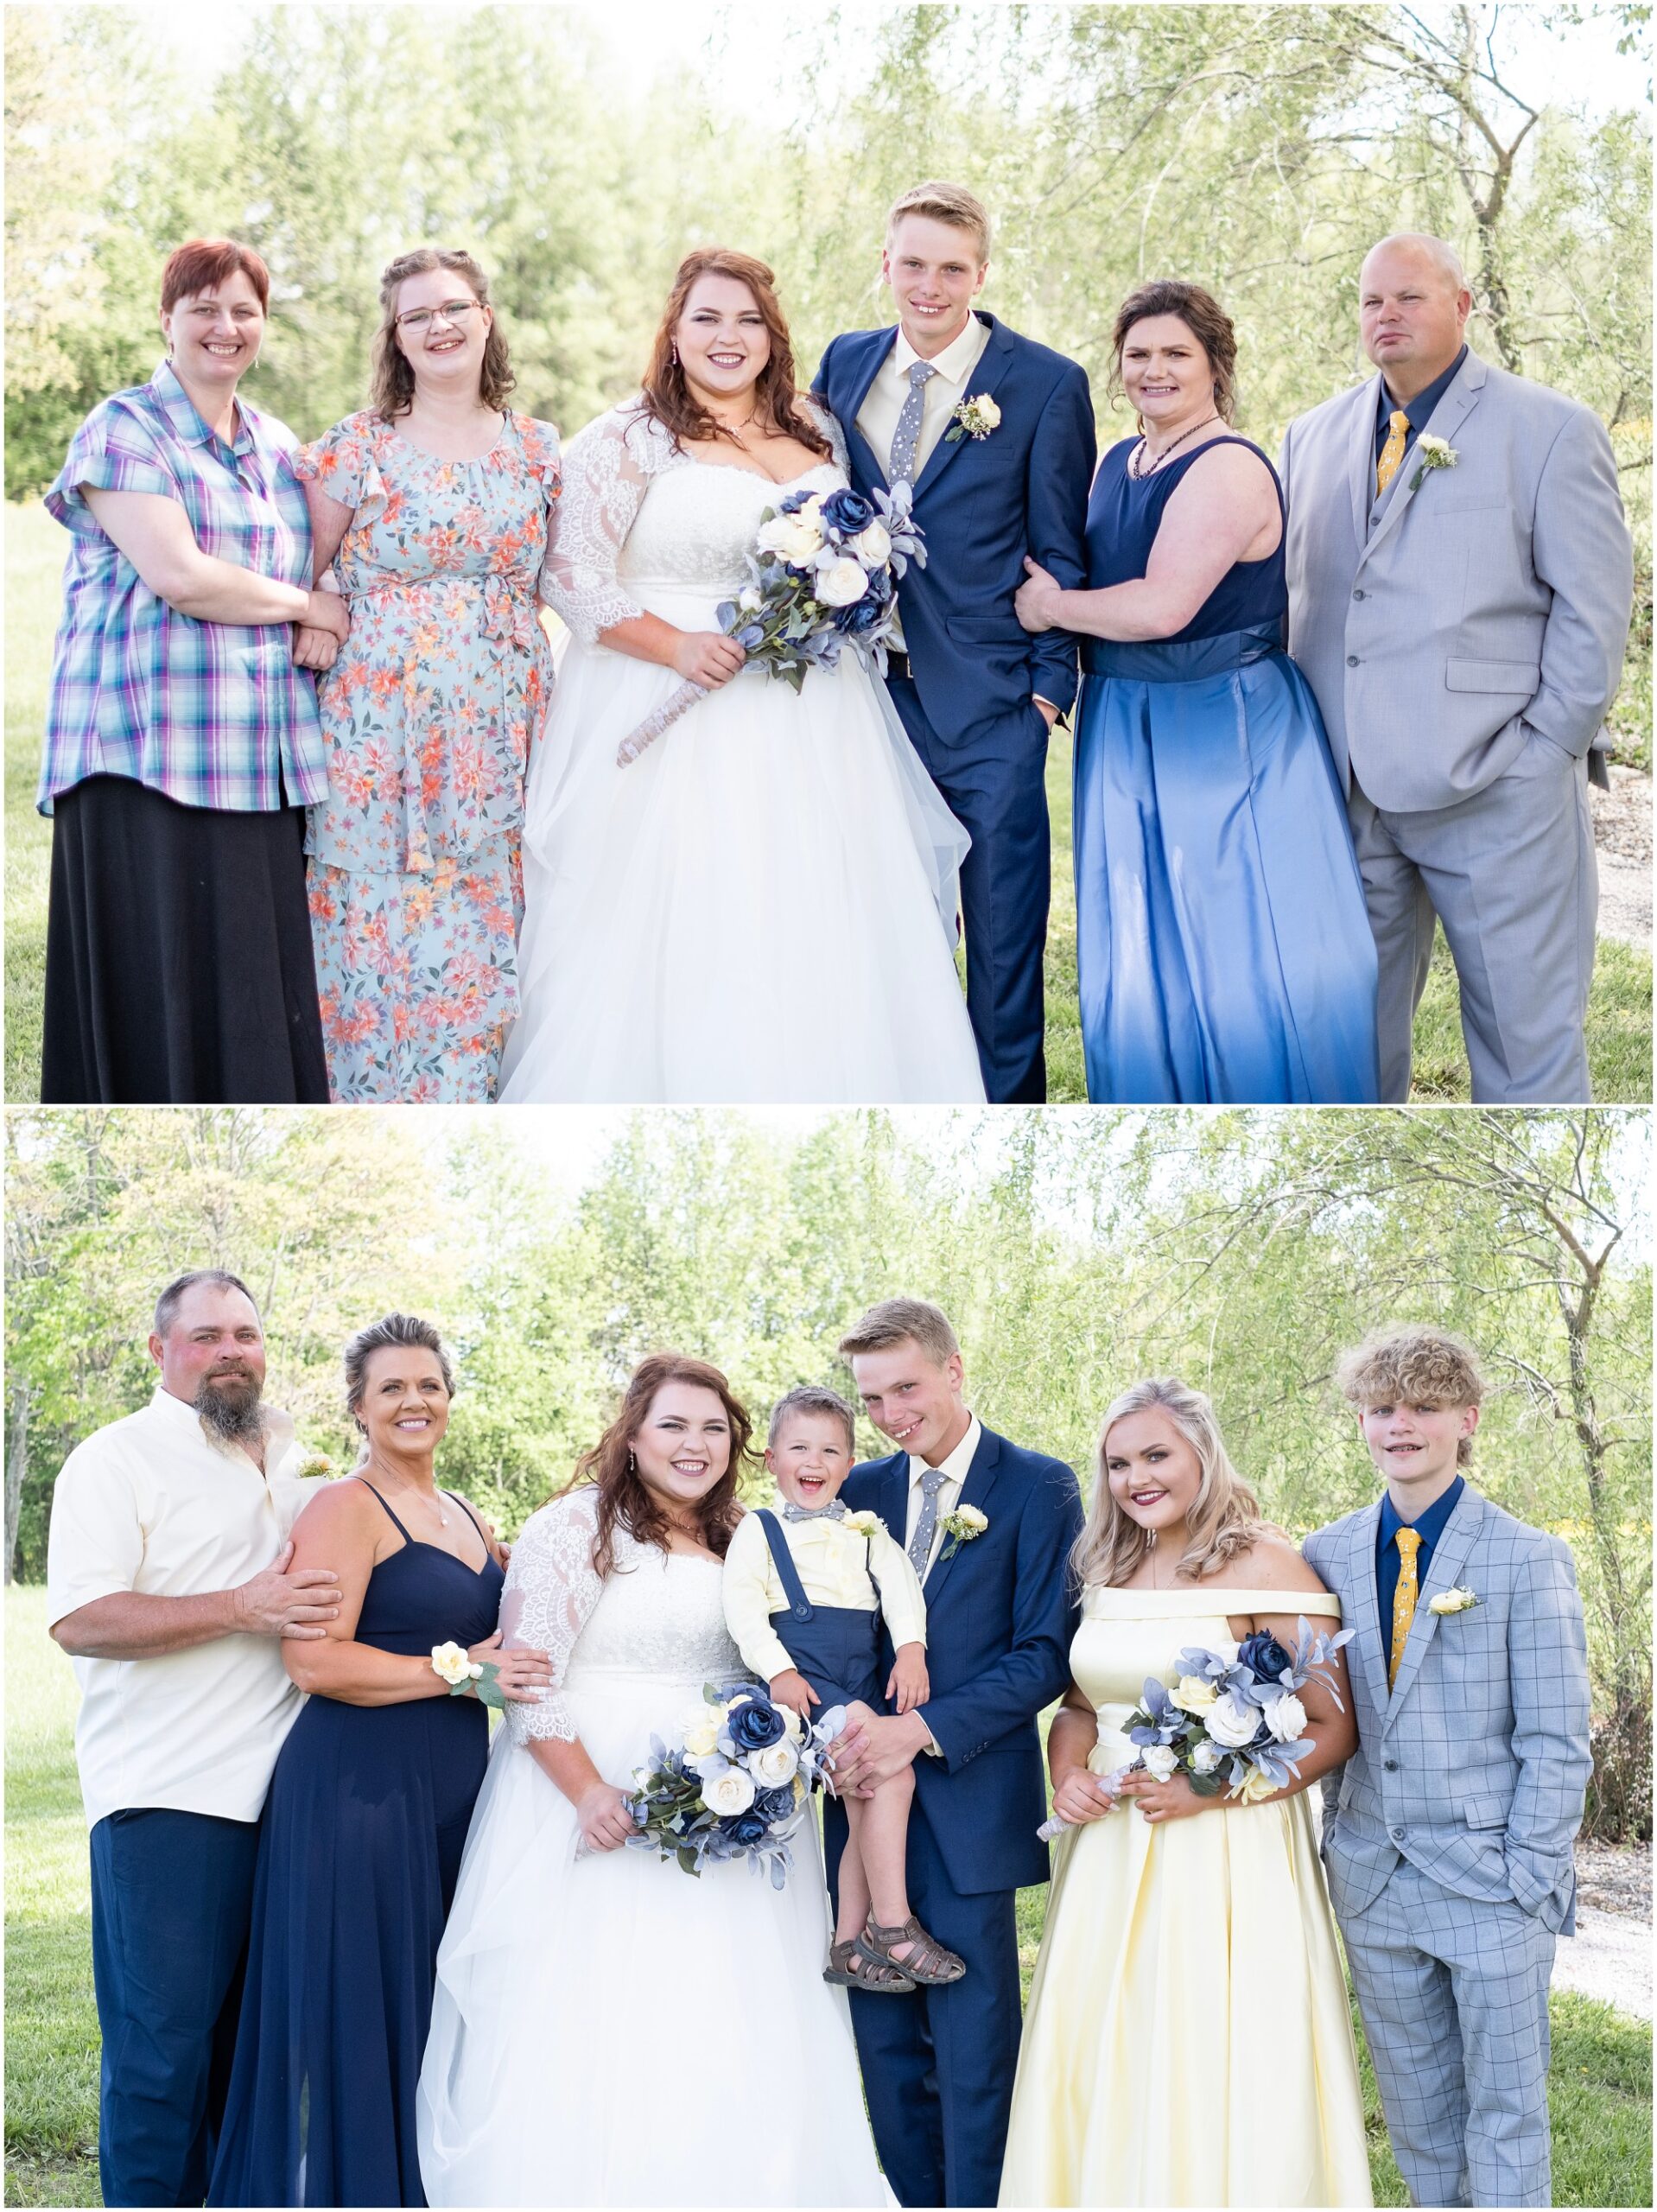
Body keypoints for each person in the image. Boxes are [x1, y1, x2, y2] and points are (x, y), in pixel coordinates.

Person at [498, 246, 983, 1105]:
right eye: (707, 318)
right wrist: (674, 646)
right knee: (693, 913)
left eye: (748, 319)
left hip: (817, 709)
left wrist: (844, 594)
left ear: (773, 334)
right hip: (671, 696)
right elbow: (569, 574)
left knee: (819, 909)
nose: (729, 337)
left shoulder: (816, 429)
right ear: (674, 334)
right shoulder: (631, 434)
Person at [416, 1355, 886, 2207]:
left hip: (729, 1807)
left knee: (726, 2013)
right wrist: (589, 1791)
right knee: (605, 2011)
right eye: (672, 1424)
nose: (694, 1443)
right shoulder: (576, 1526)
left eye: (713, 1427)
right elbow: (530, 1678)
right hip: (594, 1794)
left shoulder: (750, 1534)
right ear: (632, 1435)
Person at [1279, 232, 1635, 1103]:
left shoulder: (1550, 429)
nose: (1386, 315)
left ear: (1462, 306)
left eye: (1409, 297)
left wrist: (1543, 753)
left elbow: (1594, 610)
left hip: (1496, 792)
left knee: (1525, 1055)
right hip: (1349, 797)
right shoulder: (1310, 437)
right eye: (1371, 302)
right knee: (1343, 1061)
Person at [1000, 1377, 1372, 2207]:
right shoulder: (1106, 1563)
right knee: (1112, 2033)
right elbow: (1083, 1705)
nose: (1138, 1478)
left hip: (1225, 1847)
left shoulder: (1266, 1562)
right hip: (1110, 1845)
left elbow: (1331, 1725)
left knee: (1213, 2034)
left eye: (1156, 1455)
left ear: (1202, 1453)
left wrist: (1214, 1793)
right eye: (1120, 1463)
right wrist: (1068, 1776)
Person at [1017, 279, 1379, 1104]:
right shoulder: (1118, 460)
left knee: (1241, 940)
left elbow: (1161, 606)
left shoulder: (1228, 468)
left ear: (1216, 365)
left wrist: (1050, 608)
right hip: (1124, 719)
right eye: (1138, 354)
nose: (1156, 370)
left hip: (1222, 724)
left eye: (1177, 353)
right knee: (1149, 938)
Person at [206, 1313, 538, 2209]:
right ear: (358, 1406)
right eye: (390, 1386)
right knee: (364, 2009)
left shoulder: (469, 1512)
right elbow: (314, 1661)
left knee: (434, 2007)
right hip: (360, 1790)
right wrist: (467, 1672)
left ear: (449, 1400)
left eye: (428, 1384)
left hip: (455, 1792)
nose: (413, 1400)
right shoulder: (344, 1507)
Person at [46, 1271, 342, 2208]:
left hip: (286, 1806)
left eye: (246, 1334)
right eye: (206, 1335)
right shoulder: (115, 1457)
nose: (230, 1351)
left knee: (246, 2059)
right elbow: (84, 1619)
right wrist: (241, 1606)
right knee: (161, 2053)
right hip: (169, 1799)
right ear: (159, 1350)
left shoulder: (291, 1469)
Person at [37, 238, 345, 1104]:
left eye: (243, 310)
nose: (225, 327)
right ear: (166, 320)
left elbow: (323, 558)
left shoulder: (279, 444)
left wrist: (317, 605)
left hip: (257, 763)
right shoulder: (124, 428)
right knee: (159, 1002)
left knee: (251, 1004)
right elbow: (180, 576)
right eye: (203, 308)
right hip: (144, 757)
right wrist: (304, 607)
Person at [815, 183, 1095, 1104]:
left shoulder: (1045, 383)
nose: (928, 286)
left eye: (950, 268)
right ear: (885, 265)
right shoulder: (844, 364)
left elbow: (1062, 546)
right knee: (889, 937)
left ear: (980, 272)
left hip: (992, 705)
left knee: (1004, 942)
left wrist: (1046, 692)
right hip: (869, 697)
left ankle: (1010, 1111)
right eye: (912, 264)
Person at [1305, 1326, 1592, 2209]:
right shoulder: (1325, 1554)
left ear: (1464, 1418)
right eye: (1383, 1407)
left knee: (1504, 2111)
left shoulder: (1526, 1556)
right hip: (1372, 1882)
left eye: (1423, 1407)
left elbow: (1556, 1739)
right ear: (1360, 1418)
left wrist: (1527, 1875)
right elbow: (1317, 1709)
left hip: (1490, 1886)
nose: (1401, 1424)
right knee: (1418, 2113)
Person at [826, 1300, 1083, 2209]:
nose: (893, 1413)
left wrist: (920, 1729)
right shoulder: (851, 1491)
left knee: (973, 2050)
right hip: (861, 1804)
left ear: (953, 1369)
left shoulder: (1038, 1485)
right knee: (885, 2047)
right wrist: (841, 1730)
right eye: (872, 1397)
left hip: (970, 1797)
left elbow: (1045, 1649)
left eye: (906, 1387)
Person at [290, 248, 560, 1103]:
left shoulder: (540, 450)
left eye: (453, 307)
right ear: (396, 339)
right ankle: (362, 1093)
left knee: (484, 906)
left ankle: (473, 1091)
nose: (438, 325)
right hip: (377, 731)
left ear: (485, 318)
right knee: (375, 909)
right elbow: (303, 568)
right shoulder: (356, 446)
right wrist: (322, 605)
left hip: (503, 726)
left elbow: (566, 579)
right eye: (417, 315)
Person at [721, 1383, 964, 1992]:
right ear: (772, 1460)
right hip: (804, 1674)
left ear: (849, 1466)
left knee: (862, 1793)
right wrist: (777, 1670)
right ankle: (893, 1923)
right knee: (892, 1774)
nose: (815, 1462)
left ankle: (847, 1946)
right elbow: (743, 1608)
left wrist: (911, 1649)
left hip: (860, 1671)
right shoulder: (760, 1528)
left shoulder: (865, 1527)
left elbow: (901, 1587)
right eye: (799, 1448)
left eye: (831, 1452)